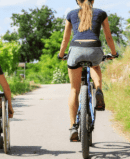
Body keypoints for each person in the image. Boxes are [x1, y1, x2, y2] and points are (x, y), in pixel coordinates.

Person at [58, 0, 118, 141]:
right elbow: (108, 36)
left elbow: (65, 39)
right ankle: (98, 89)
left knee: (74, 90)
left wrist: (61, 55)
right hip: (94, 49)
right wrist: (114, 53)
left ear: (77, 1)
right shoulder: (101, 13)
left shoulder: (71, 14)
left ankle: (73, 126)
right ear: (93, 0)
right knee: (95, 66)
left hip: (76, 50)